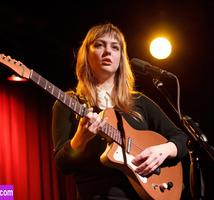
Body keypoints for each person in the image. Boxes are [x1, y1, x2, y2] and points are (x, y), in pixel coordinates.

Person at [52, 23, 188, 200]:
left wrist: (161, 151)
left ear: (121, 58)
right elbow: (62, 165)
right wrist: (80, 138)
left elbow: (182, 139)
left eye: (115, 47)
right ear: (86, 54)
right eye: (99, 45)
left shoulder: (139, 101)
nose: (108, 51)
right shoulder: (68, 102)